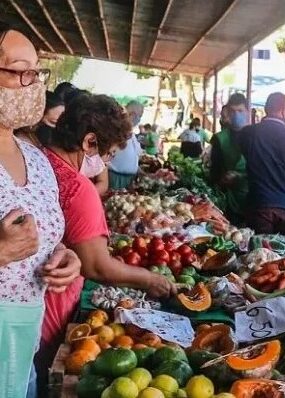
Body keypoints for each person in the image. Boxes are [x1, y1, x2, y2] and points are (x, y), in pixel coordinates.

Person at [40, 93, 176, 387]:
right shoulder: (79, 189)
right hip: (48, 311)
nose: (107, 163)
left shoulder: (37, 161)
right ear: (90, 142)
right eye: (109, 154)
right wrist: (150, 280)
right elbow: (97, 267)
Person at [0, 24, 82, 398]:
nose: (33, 83)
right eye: (20, 70)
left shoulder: (35, 157)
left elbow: (52, 238)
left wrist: (65, 257)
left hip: (24, 343)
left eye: (37, 71)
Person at [239, 92, 285, 234]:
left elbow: (242, 161)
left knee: (260, 253)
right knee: (281, 253)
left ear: (266, 108)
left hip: (258, 203)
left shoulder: (248, 133)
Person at [210, 93, 249, 223]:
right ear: (227, 112)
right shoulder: (219, 139)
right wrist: (222, 179)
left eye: (240, 111)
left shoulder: (257, 137)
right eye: (233, 111)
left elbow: (263, 169)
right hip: (227, 201)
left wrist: (240, 177)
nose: (236, 114)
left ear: (247, 112)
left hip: (252, 199)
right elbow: (214, 172)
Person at [108, 100, 144, 189]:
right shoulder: (116, 131)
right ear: (132, 114)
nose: (139, 119)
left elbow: (132, 159)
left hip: (129, 180)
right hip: (115, 179)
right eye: (139, 115)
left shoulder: (131, 133)